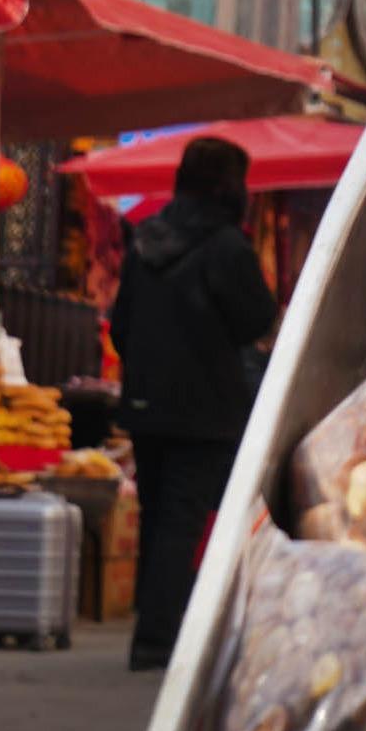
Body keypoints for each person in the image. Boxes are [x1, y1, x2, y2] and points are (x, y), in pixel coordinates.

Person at [109, 134, 275, 670]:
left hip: (145, 403)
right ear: (230, 187)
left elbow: (120, 325)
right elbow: (256, 319)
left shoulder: (145, 240)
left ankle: (154, 625)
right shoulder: (227, 247)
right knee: (182, 521)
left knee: (158, 516)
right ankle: (157, 640)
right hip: (205, 408)